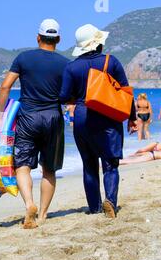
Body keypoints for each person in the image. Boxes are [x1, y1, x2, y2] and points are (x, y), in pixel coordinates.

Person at [59, 24, 138, 219]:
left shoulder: (71, 67)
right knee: (110, 164)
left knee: (89, 164)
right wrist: (132, 118)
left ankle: (94, 208)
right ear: (98, 44)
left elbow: (63, 96)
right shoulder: (111, 62)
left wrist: (78, 97)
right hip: (108, 115)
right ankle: (110, 201)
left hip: (82, 116)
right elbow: (126, 91)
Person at [0, 19, 69, 229]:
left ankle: (29, 204)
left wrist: (2, 115)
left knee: (22, 165)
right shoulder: (65, 64)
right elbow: (69, 94)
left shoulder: (23, 58)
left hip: (28, 117)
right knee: (49, 169)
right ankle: (43, 215)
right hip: (53, 117)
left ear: (38, 37)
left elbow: (5, 87)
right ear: (58, 39)